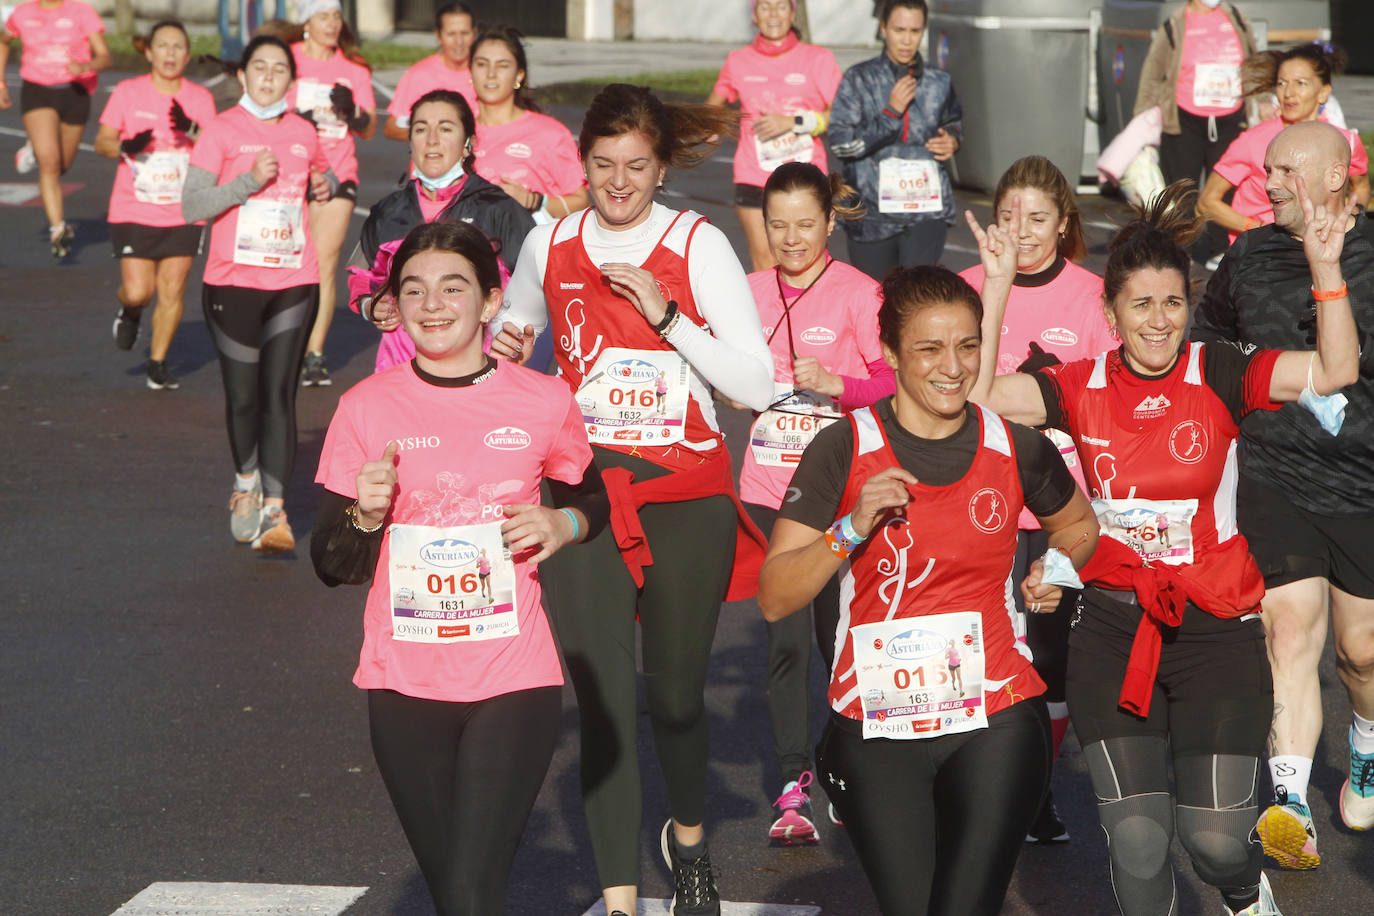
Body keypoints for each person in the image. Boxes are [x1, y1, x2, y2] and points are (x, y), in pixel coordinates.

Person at [970, 178, 1359, 916]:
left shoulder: (1215, 371)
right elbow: (982, 400)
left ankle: (1247, 890)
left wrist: (1327, 271)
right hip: (1114, 629)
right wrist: (996, 290)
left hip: (1215, 627)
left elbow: (1334, 371)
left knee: (1213, 843)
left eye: (1173, 303)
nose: (1159, 321)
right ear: (1112, 311)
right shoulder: (1078, 384)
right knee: (1141, 844)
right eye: (1141, 304)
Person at [492, 83, 773, 916]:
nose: (619, 183)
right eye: (604, 165)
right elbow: (518, 327)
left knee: (677, 698)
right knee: (607, 704)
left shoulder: (698, 243)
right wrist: (509, 344)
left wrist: (670, 316)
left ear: (661, 168)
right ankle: (621, 902)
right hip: (582, 496)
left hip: (684, 494)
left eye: (636, 167)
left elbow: (755, 385)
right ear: (582, 163)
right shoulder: (553, 242)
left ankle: (686, 841)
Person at [757, 262, 1099, 916]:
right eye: (930, 348)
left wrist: (1054, 570)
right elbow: (775, 595)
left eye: (968, 345)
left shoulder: (1016, 447)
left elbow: (1080, 525)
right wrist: (849, 528)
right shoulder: (842, 447)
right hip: (877, 720)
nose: (954, 366)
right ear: (890, 353)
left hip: (995, 711)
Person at [312, 220, 608, 916]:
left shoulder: (541, 401)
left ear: (491, 301)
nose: (432, 305)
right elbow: (330, 563)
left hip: (513, 673)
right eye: (413, 290)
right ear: (395, 304)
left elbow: (591, 495)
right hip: (403, 679)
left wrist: (561, 523)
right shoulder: (366, 407)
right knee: (455, 893)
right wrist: (365, 511)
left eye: (453, 288)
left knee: (472, 893)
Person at [1191, 120, 1374, 868]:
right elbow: (1208, 344)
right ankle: (1291, 801)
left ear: (1336, 177)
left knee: (1362, 654)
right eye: (1263, 169)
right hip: (1272, 470)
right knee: (1287, 630)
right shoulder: (1249, 253)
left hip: (1364, 479)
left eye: (1284, 170)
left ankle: (1364, 740)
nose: (1263, 184)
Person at [733, 161, 891, 846]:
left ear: (829, 220)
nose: (792, 239)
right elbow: (711, 364)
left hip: (835, 497)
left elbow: (891, 381)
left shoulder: (860, 291)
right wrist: (731, 389)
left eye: (805, 224)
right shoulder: (743, 291)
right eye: (778, 225)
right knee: (787, 641)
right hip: (766, 493)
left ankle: (844, 764)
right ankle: (793, 782)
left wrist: (838, 383)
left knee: (840, 641)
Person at [958, 154, 1114, 844]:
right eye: (1008, 216)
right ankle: (973, 788)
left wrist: (1045, 402)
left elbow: (1108, 399)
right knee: (980, 654)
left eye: (1038, 219)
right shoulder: (965, 287)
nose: (1020, 231)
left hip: (1062, 510)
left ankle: (1036, 791)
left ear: (1065, 223)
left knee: (1048, 659)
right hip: (976, 502)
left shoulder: (1089, 295)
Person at [183, 34, 336, 554]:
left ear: (291, 81)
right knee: (244, 397)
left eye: (279, 70)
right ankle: (245, 480)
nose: (269, 77)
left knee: (278, 396)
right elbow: (191, 205)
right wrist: (247, 182)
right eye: (260, 68)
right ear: (243, 75)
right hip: (232, 284)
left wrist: (324, 185)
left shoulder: (302, 131)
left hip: (294, 280)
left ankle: (275, 508)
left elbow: (324, 175)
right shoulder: (222, 129)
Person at [354, 89, 533, 373]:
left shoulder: (499, 208)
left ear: (468, 144)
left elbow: (536, 287)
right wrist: (369, 306)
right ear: (410, 141)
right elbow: (360, 279)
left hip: (478, 373)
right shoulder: (386, 212)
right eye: (421, 129)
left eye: (446, 128)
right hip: (399, 374)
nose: (432, 139)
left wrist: (513, 336)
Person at [94, 19, 215, 390]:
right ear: (148, 51)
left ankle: (158, 362)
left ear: (188, 55)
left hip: (183, 210)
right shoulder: (129, 92)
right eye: (163, 45)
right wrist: (126, 147)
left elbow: (217, 151)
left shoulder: (200, 99)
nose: (170, 53)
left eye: (178, 46)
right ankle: (130, 311)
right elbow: (102, 142)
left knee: (173, 288)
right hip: (134, 207)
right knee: (139, 290)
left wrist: (192, 130)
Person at [273, 0, 376, 387]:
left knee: (322, 261)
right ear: (305, 22)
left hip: (338, 173)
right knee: (288, 259)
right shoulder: (288, 60)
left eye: (336, 16)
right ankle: (285, 342)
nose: (332, 24)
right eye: (323, 16)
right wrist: (290, 121)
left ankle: (314, 352)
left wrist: (353, 113)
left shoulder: (354, 70)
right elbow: (263, 109)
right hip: (290, 174)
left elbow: (366, 129)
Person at [829, 0, 960, 281]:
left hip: (926, 212)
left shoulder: (939, 81)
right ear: (884, 28)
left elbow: (954, 123)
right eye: (900, 30)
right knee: (878, 301)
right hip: (870, 217)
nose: (907, 39)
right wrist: (889, 115)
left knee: (914, 300)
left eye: (915, 31)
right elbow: (841, 144)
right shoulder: (859, 79)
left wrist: (952, 141)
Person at [705, 0, 841, 271]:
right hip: (753, 176)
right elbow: (712, 109)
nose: (773, 15)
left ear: (793, 13)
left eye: (781, 6)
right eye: (765, 7)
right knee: (766, 263)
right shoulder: (738, 61)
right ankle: (770, 315)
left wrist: (793, 121)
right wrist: (711, 128)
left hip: (806, 176)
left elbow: (839, 115)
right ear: (754, 15)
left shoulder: (818, 59)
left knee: (806, 260)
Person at [1199, 43, 1369, 244]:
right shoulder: (1252, 141)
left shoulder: (1345, 142)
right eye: (1281, 83)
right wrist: (1257, 228)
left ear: (1323, 92)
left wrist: (1349, 222)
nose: (1289, 93)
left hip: (1326, 246)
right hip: (1262, 256)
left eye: (1301, 83)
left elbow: (1361, 187)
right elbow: (1207, 202)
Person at [0, 0, 110, 258]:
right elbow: (4, 41)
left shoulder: (81, 11)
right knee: (49, 164)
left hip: (75, 92)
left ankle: (35, 149)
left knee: (61, 165)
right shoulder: (22, 12)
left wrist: (85, 66)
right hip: (37, 91)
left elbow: (105, 56)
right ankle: (58, 228)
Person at [470, 25, 588, 224]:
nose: (491, 74)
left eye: (502, 65)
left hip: (530, 250)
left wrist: (533, 200)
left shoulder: (550, 134)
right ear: (470, 71)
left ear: (519, 75)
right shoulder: (455, 132)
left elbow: (582, 203)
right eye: (482, 64)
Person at [1133, 2, 1255, 191]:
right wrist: (1141, 120)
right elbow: (1152, 74)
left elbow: (1254, 63)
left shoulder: (1236, 17)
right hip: (1183, 123)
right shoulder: (1175, 23)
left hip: (1231, 122)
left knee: (1226, 196)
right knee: (1181, 195)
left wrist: (1262, 102)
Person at [383, 2, 478, 141]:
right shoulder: (419, 75)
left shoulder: (487, 73)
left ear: (474, 33)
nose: (459, 41)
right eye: (451, 34)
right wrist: (434, 133)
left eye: (465, 33)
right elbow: (392, 129)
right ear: (438, 36)